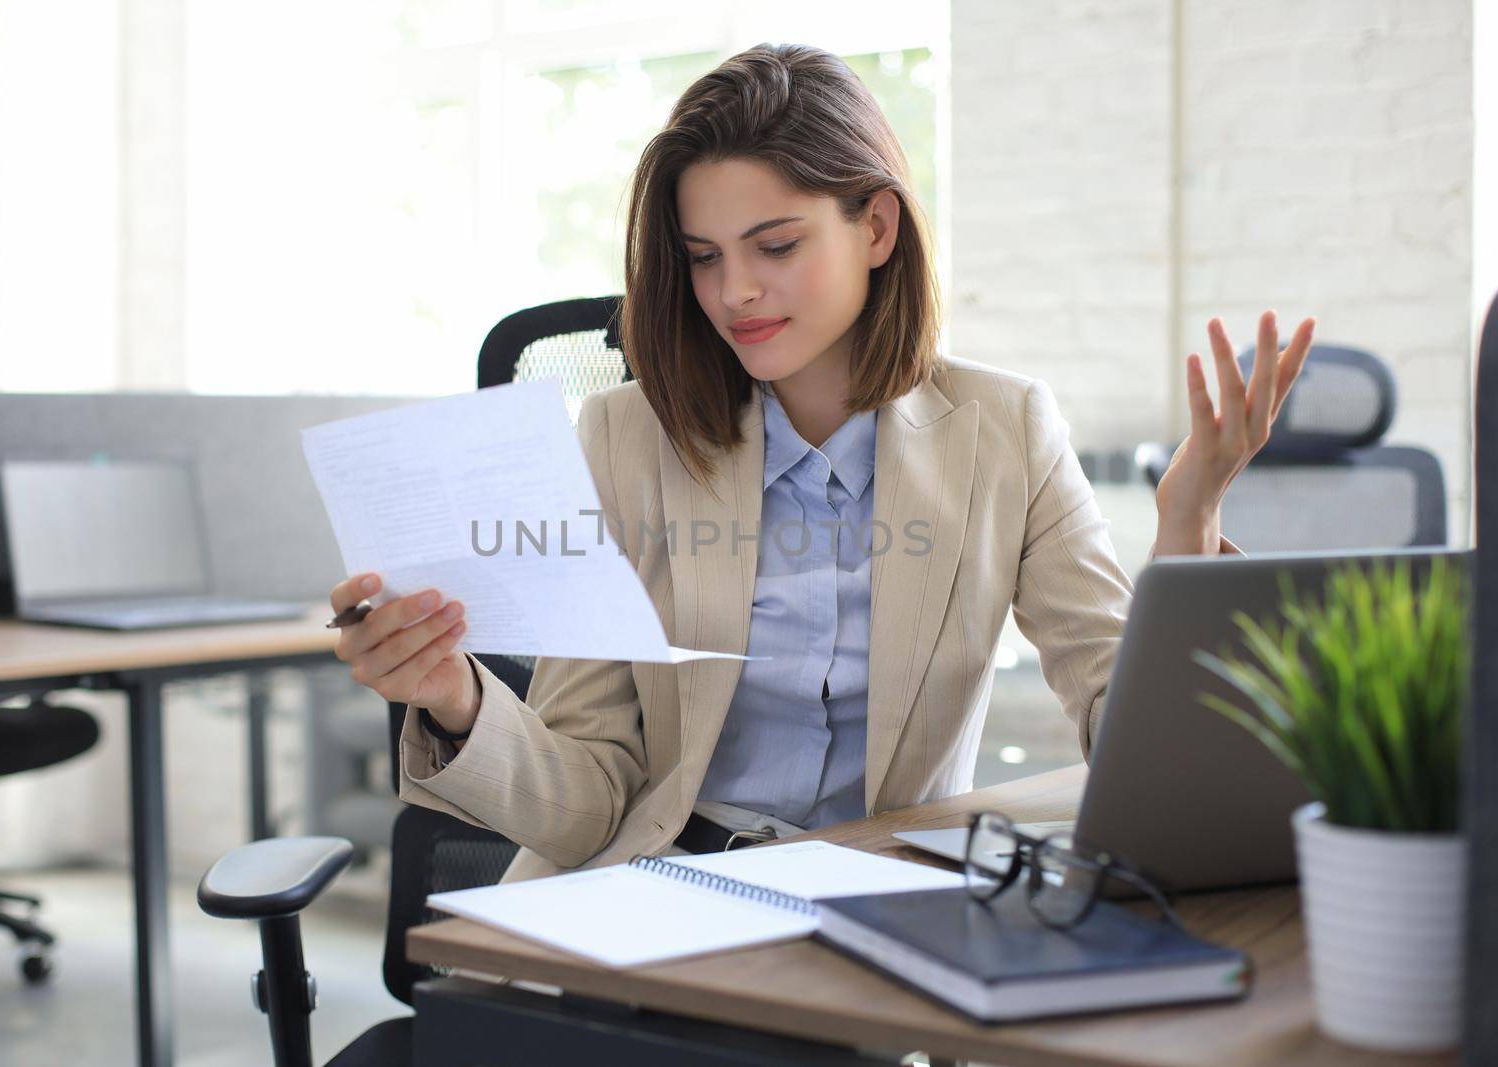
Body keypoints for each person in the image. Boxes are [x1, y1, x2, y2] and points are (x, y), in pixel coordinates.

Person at [329, 43, 1313, 882]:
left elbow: (1132, 737)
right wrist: (454, 695)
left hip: (879, 895)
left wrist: (1184, 532)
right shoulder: (624, 438)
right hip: (656, 887)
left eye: (774, 244)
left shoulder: (1004, 428)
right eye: (704, 255)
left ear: (875, 227)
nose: (735, 291)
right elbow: (586, 803)